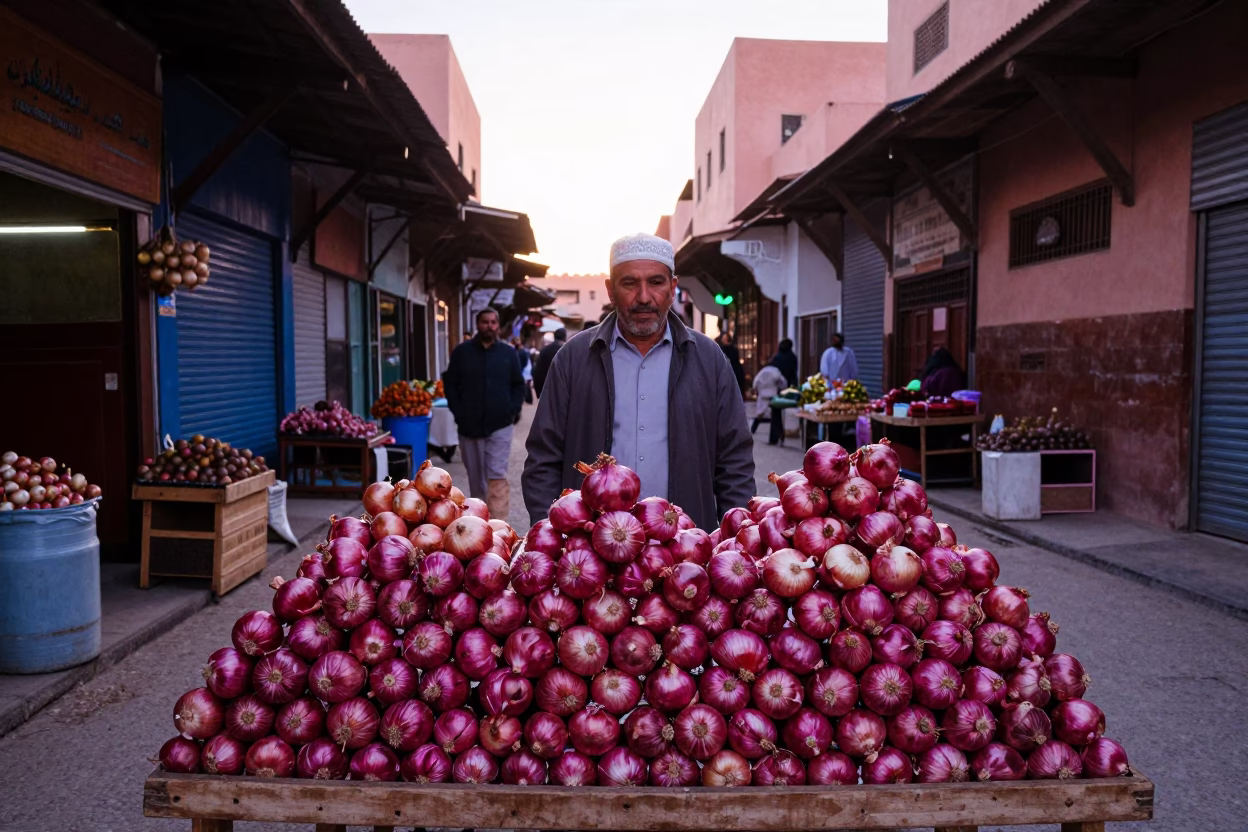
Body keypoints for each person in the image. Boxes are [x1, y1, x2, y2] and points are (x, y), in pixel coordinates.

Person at [522, 232, 755, 531]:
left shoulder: (708, 359)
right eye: (629, 283)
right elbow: (543, 457)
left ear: (672, 288)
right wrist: (554, 534)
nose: (644, 297)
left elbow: (734, 459)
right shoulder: (574, 359)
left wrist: (734, 537)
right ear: (610, 289)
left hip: (685, 549)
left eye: (656, 282)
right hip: (593, 549)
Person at [443, 308, 525, 519]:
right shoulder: (462, 352)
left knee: (496, 477)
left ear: (498, 325)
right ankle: (479, 526)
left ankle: (498, 528)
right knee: (476, 481)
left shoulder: (508, 353)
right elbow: (450, 384)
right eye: (485, 322)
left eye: (493, 322)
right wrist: (458, 411)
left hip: (500, 425)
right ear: (478, 325)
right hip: (469, 426)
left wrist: (513, 409)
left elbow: (518, 384)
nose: (489, 326)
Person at [751, 360, 788, 445]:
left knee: (760, 413)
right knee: (776, 415)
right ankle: (779, 436)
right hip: (773, 394)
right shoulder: (776, 371)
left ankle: (753, 428)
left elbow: (755, 382)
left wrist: (756, 390)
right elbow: (782, 382)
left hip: (763, 394)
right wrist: (782, 389)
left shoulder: (762, 371)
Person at [532, 327, 566, 398]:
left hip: (546, 389)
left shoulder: (545, 350)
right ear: (565, 337)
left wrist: (538, 391)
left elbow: (538, 371)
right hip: (562, 391)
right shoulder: (567, 350)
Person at [513, 337, 534, 405]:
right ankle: (527, 399)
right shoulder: (518, 351)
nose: (517, 342)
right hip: (523, 371)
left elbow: (524, 362)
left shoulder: (522, 351)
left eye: (518, 340)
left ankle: (528, 399)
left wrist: (521, 368)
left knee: (526, 386)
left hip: (525, 372)